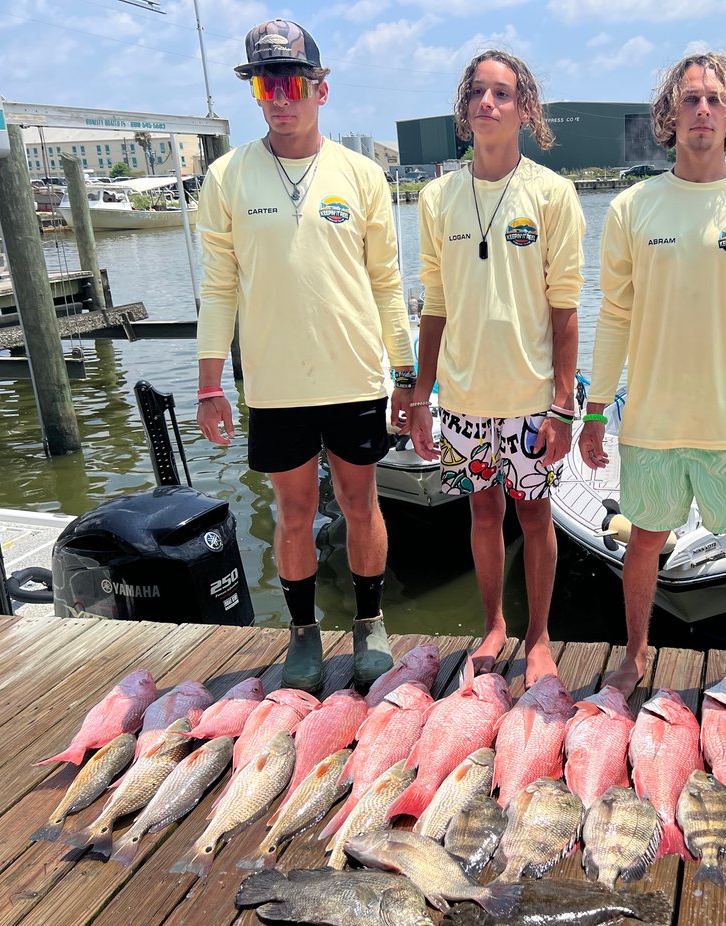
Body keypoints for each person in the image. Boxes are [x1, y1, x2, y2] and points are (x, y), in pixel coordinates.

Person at [579, 52, 726, 714]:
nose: (702, 110)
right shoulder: (632, 208)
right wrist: (594, 410)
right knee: (644, 540)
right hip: (652, 418)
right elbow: (615, 318)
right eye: (689, 99)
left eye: (715, 99)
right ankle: (632, 656)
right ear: (669, 115)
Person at [195, 19, 415, 693]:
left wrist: (404, 376)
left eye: (291, 83)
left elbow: (387, 282)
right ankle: (301, 634)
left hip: (354, 374)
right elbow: (217, 284)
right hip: (275, 383)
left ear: (321, 89)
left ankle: (370, 622)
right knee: (292, 514)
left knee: (359, 501)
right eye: (266, 84)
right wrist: (209, 384)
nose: (278, 98)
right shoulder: (227, 176)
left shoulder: (361, 175)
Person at [410, 50, 585, 681]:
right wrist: (419, 393)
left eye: (503, 94)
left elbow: (566, 312)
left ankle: (538, 635)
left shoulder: (553, 195)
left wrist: (565, 405)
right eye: (478, 92)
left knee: (535, 515)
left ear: (524, 109)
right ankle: (493, 624)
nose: (489, 102)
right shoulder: (436, 198)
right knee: (483, 511)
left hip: (532, 396)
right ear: (465, 108)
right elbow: (433, 304)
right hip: (461, 398)